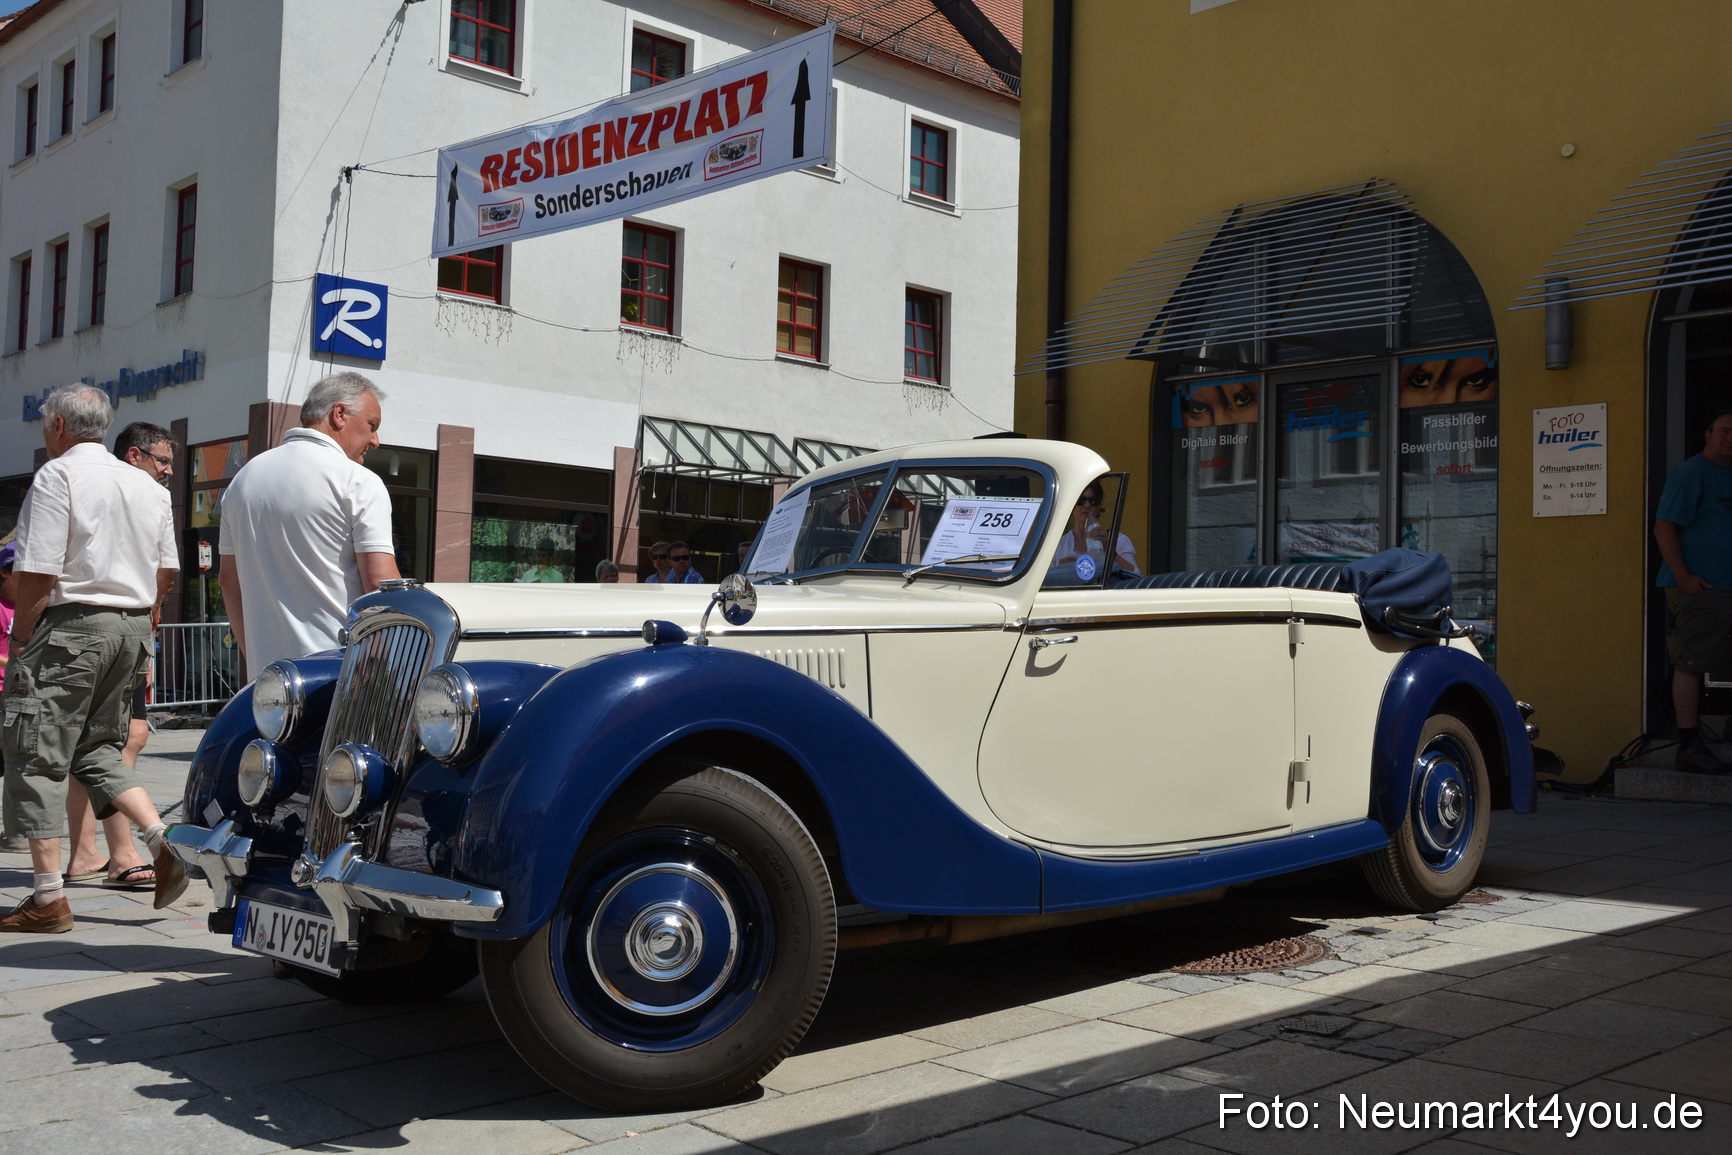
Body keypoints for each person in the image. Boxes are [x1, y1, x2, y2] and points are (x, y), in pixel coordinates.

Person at [0, 383, 187, 932]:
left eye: (44, 424)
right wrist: (139, 622)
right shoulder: (143, 484)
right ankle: (159, 838)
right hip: (130, 625)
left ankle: (48, 897)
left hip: (71, 626)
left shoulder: (58, 475)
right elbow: (166, 571)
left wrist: (22, 641)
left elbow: (36, 571)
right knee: (97, 747)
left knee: (36, 750)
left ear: (58, 425)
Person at [218, 372, 399, 680]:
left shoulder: (243, 480)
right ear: (339, 414)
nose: (375, 440)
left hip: (270, 684)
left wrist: (256, 659)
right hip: (338, 678)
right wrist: (394, 669)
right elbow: (381, 584)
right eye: (372, 425)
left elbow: (228, 581)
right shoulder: (357, 481)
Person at [63, 422, 179, 890]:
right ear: (135, 455)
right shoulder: (130, 493)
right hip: (112, 633)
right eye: (163, 461)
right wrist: (147, 609)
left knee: (101, 741)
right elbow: (164, 569)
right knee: (113, 742)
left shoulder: (122, 491)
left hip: (98, 633)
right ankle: (123, 852)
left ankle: (87, 852)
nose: (169, 471)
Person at [1654, 408, 1732, 774]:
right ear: (1708, 434)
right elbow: (1664, 527)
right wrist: (1684, 577)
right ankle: (1688, 745)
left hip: (1727, 586)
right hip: (1699, 587)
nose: (1730, 439)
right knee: (1692, 662)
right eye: (1724, 431)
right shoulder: (1692, 473)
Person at [1052, 483, 1139, 576]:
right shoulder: (1058, 544)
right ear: (1071, 505)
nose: (1087, 505)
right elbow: (1043, 582)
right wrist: (1060, 570)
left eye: (1093, 501)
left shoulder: (1118, 540)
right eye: (1081, 500)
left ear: (1099, 506)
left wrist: (1110, 551)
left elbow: (1135, 575)